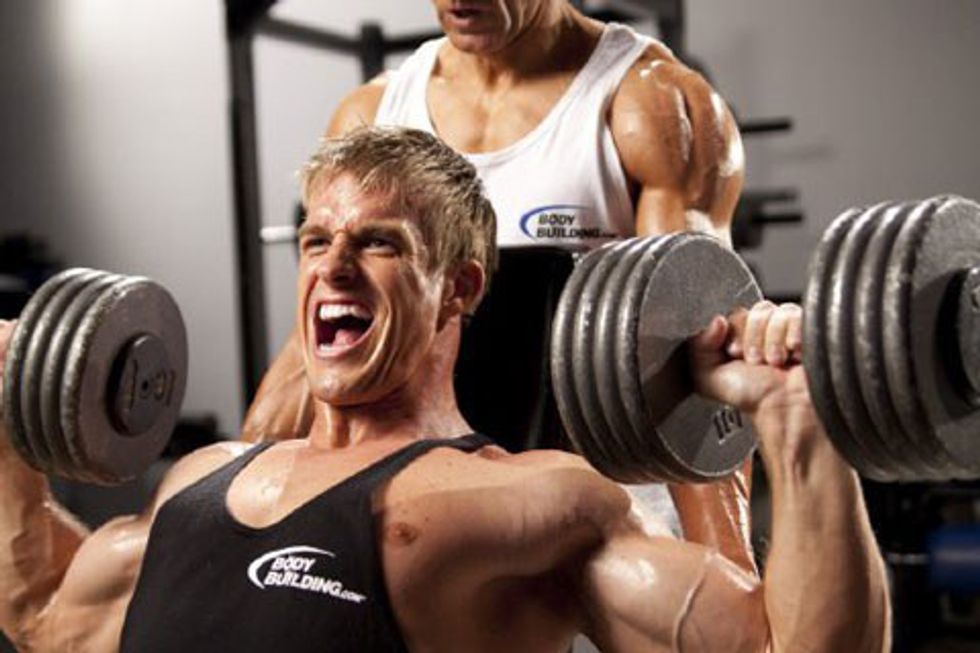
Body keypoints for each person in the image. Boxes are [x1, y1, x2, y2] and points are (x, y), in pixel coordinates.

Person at [0, 127, 888, 652]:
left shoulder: (530, 502)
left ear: (458, 288)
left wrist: (798, 424)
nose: (334, 266)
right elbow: (43, 611)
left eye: (378, 242)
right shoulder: (201, 478)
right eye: (316, 241)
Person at [243, 0, 754, 571]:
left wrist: (730, 564)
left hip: (606, 510)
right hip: (430, 508)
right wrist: (231, 511)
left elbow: (703, 355)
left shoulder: (648, 104)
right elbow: (316, 344)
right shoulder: (374, 114)